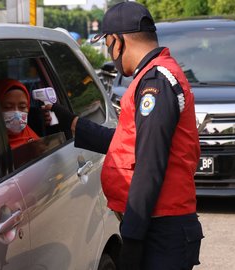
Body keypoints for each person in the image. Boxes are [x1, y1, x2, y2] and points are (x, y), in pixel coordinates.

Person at [50, 2, 203, 270]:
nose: (110, 53)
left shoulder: (156, 82)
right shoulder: (155, 74)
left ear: (117, 42)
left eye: (108, 45)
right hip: (159, 225)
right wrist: (72, 123)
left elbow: (149, 165)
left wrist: (132, 239)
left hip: (161, 230)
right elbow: (131, 143)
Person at [0, 78, 41, 149]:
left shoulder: (30, 135)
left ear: (28, 107)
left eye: (22, 107)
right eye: (8, 107)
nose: (16, 113)